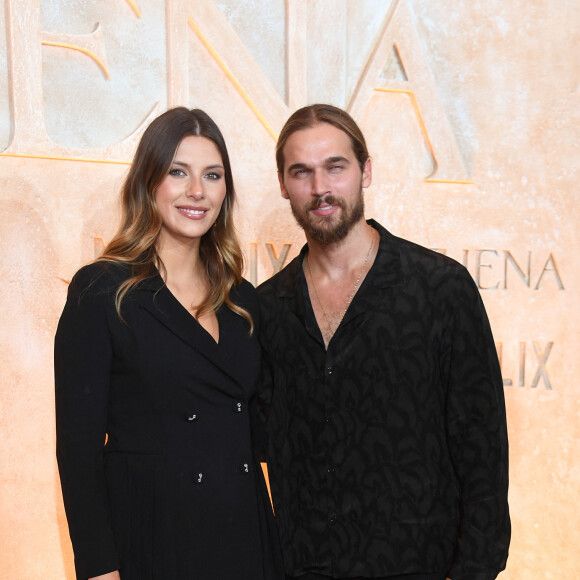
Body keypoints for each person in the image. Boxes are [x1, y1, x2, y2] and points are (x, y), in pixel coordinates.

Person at [257, 104, 510, 580]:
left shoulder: (440, 289)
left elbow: (483, 450)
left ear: (365, 171)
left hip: (422, 566)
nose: (320, 188)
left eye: (336, 167)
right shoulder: (267, 309)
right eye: (302, 173)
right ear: (282, 184)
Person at [55, 107, 282, 580]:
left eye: (212, 175)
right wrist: (99, 568)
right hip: (154, 538)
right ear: (148, 181)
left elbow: (261, 430)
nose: (196, 191)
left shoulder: (240, 298)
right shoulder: (102, 290)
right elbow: (77, 449)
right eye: (178, 172)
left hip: (244, 535)